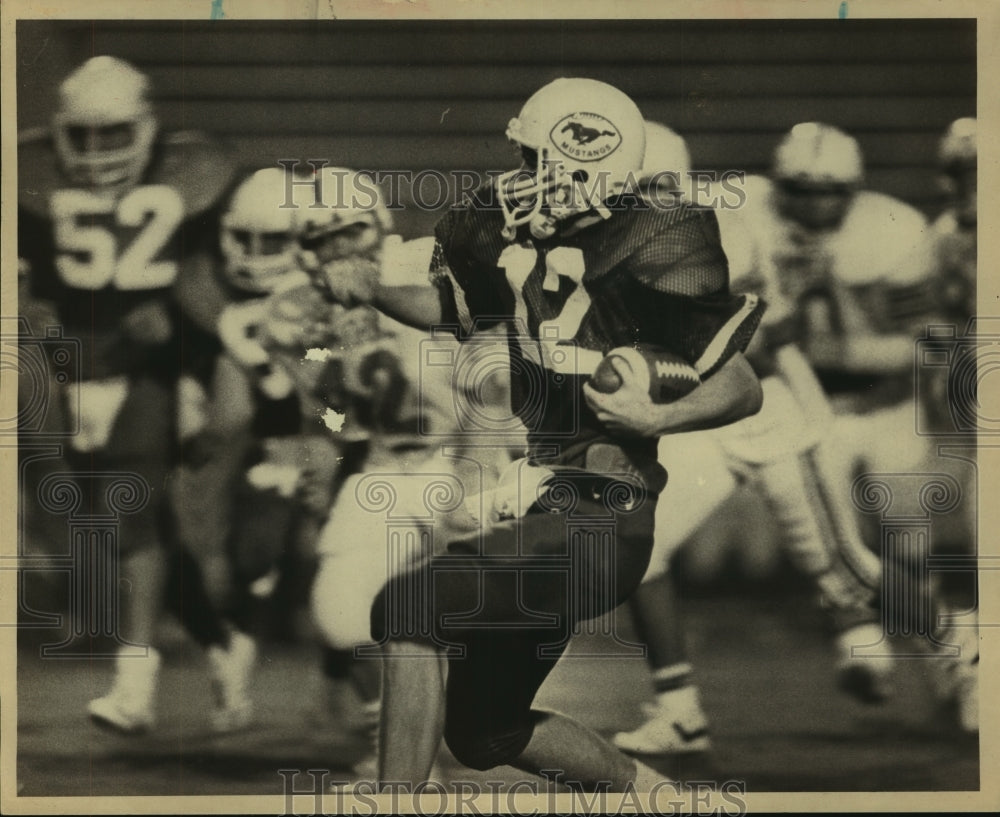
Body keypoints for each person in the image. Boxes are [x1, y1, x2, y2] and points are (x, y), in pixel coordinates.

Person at [337, 78, 765, 791]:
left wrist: (658, 416)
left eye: (535, 162)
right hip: (549, 511)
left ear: (583, 161)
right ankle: (661, 798)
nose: (520, 179)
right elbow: (450, 305)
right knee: (484, 730)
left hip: (604, 513)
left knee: (410, 604)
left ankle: (393, 801)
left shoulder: (655, 240)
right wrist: (372, 289)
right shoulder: (518, 242)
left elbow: (741, 382)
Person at [613, 122, 901, 756]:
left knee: (843, 570)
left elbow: (753, 346)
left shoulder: (714, 239)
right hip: (703, 421)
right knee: (640, 547)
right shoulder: (617, 240)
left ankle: (962, 641)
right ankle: (680, 712)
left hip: (769, 413)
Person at [17, 55, 254, 734]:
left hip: (156, 366)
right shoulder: (28, 182)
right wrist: (31, 311)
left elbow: (216, 290)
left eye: (113, 135)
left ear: (148, 131)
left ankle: (136, 682)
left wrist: (185, 332)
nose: (96, 154)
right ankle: (220, 640)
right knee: (117, 527)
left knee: (132, 510)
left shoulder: (197, 179)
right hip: (68, 371)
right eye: (83, 136)